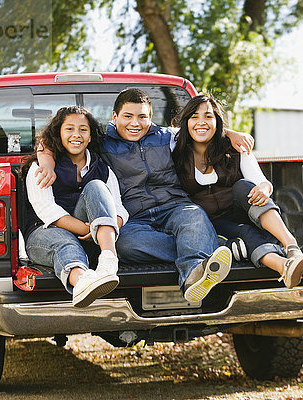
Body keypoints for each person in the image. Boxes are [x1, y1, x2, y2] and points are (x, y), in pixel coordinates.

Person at [36, 89, 254, 302]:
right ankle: (208, 246)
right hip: (135, 215)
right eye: (128, 116)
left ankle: (192, 279)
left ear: (150, 117)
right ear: (115, 117)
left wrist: (231, 133)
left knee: (195, 216)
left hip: (175, 206)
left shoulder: (166, 137)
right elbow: (54, 140)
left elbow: (202, 129)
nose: (135, 123)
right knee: (125, 245)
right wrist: (46, 162)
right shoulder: (101, 142)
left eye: (142, 117)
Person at [172, 94, 303, 289]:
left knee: (243, 186)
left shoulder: (236, 147)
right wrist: (229, 131)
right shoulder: (175, 148)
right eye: (194, 116)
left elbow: (262, 182)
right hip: (211, 223)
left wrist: (264, 188)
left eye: (208, 116)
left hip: (245, 213)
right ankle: (284, 266)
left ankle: (292, 247)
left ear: (217, 121)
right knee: (244, 234)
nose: (201, 122)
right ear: (185, 122)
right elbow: (154, 130)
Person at [21, 106, 128, 307]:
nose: (76, 135)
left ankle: (108, 261)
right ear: (59, 134)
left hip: (93, 238)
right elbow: (47, 211)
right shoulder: (42, 167)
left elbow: (119, 209)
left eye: (83, 130)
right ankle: (83, 283)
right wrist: (91, 229)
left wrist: (107, 228)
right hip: (44, 233)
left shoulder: (102, 168)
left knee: (96, 186)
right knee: (65, 243)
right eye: (69, 129)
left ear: (90, 137)